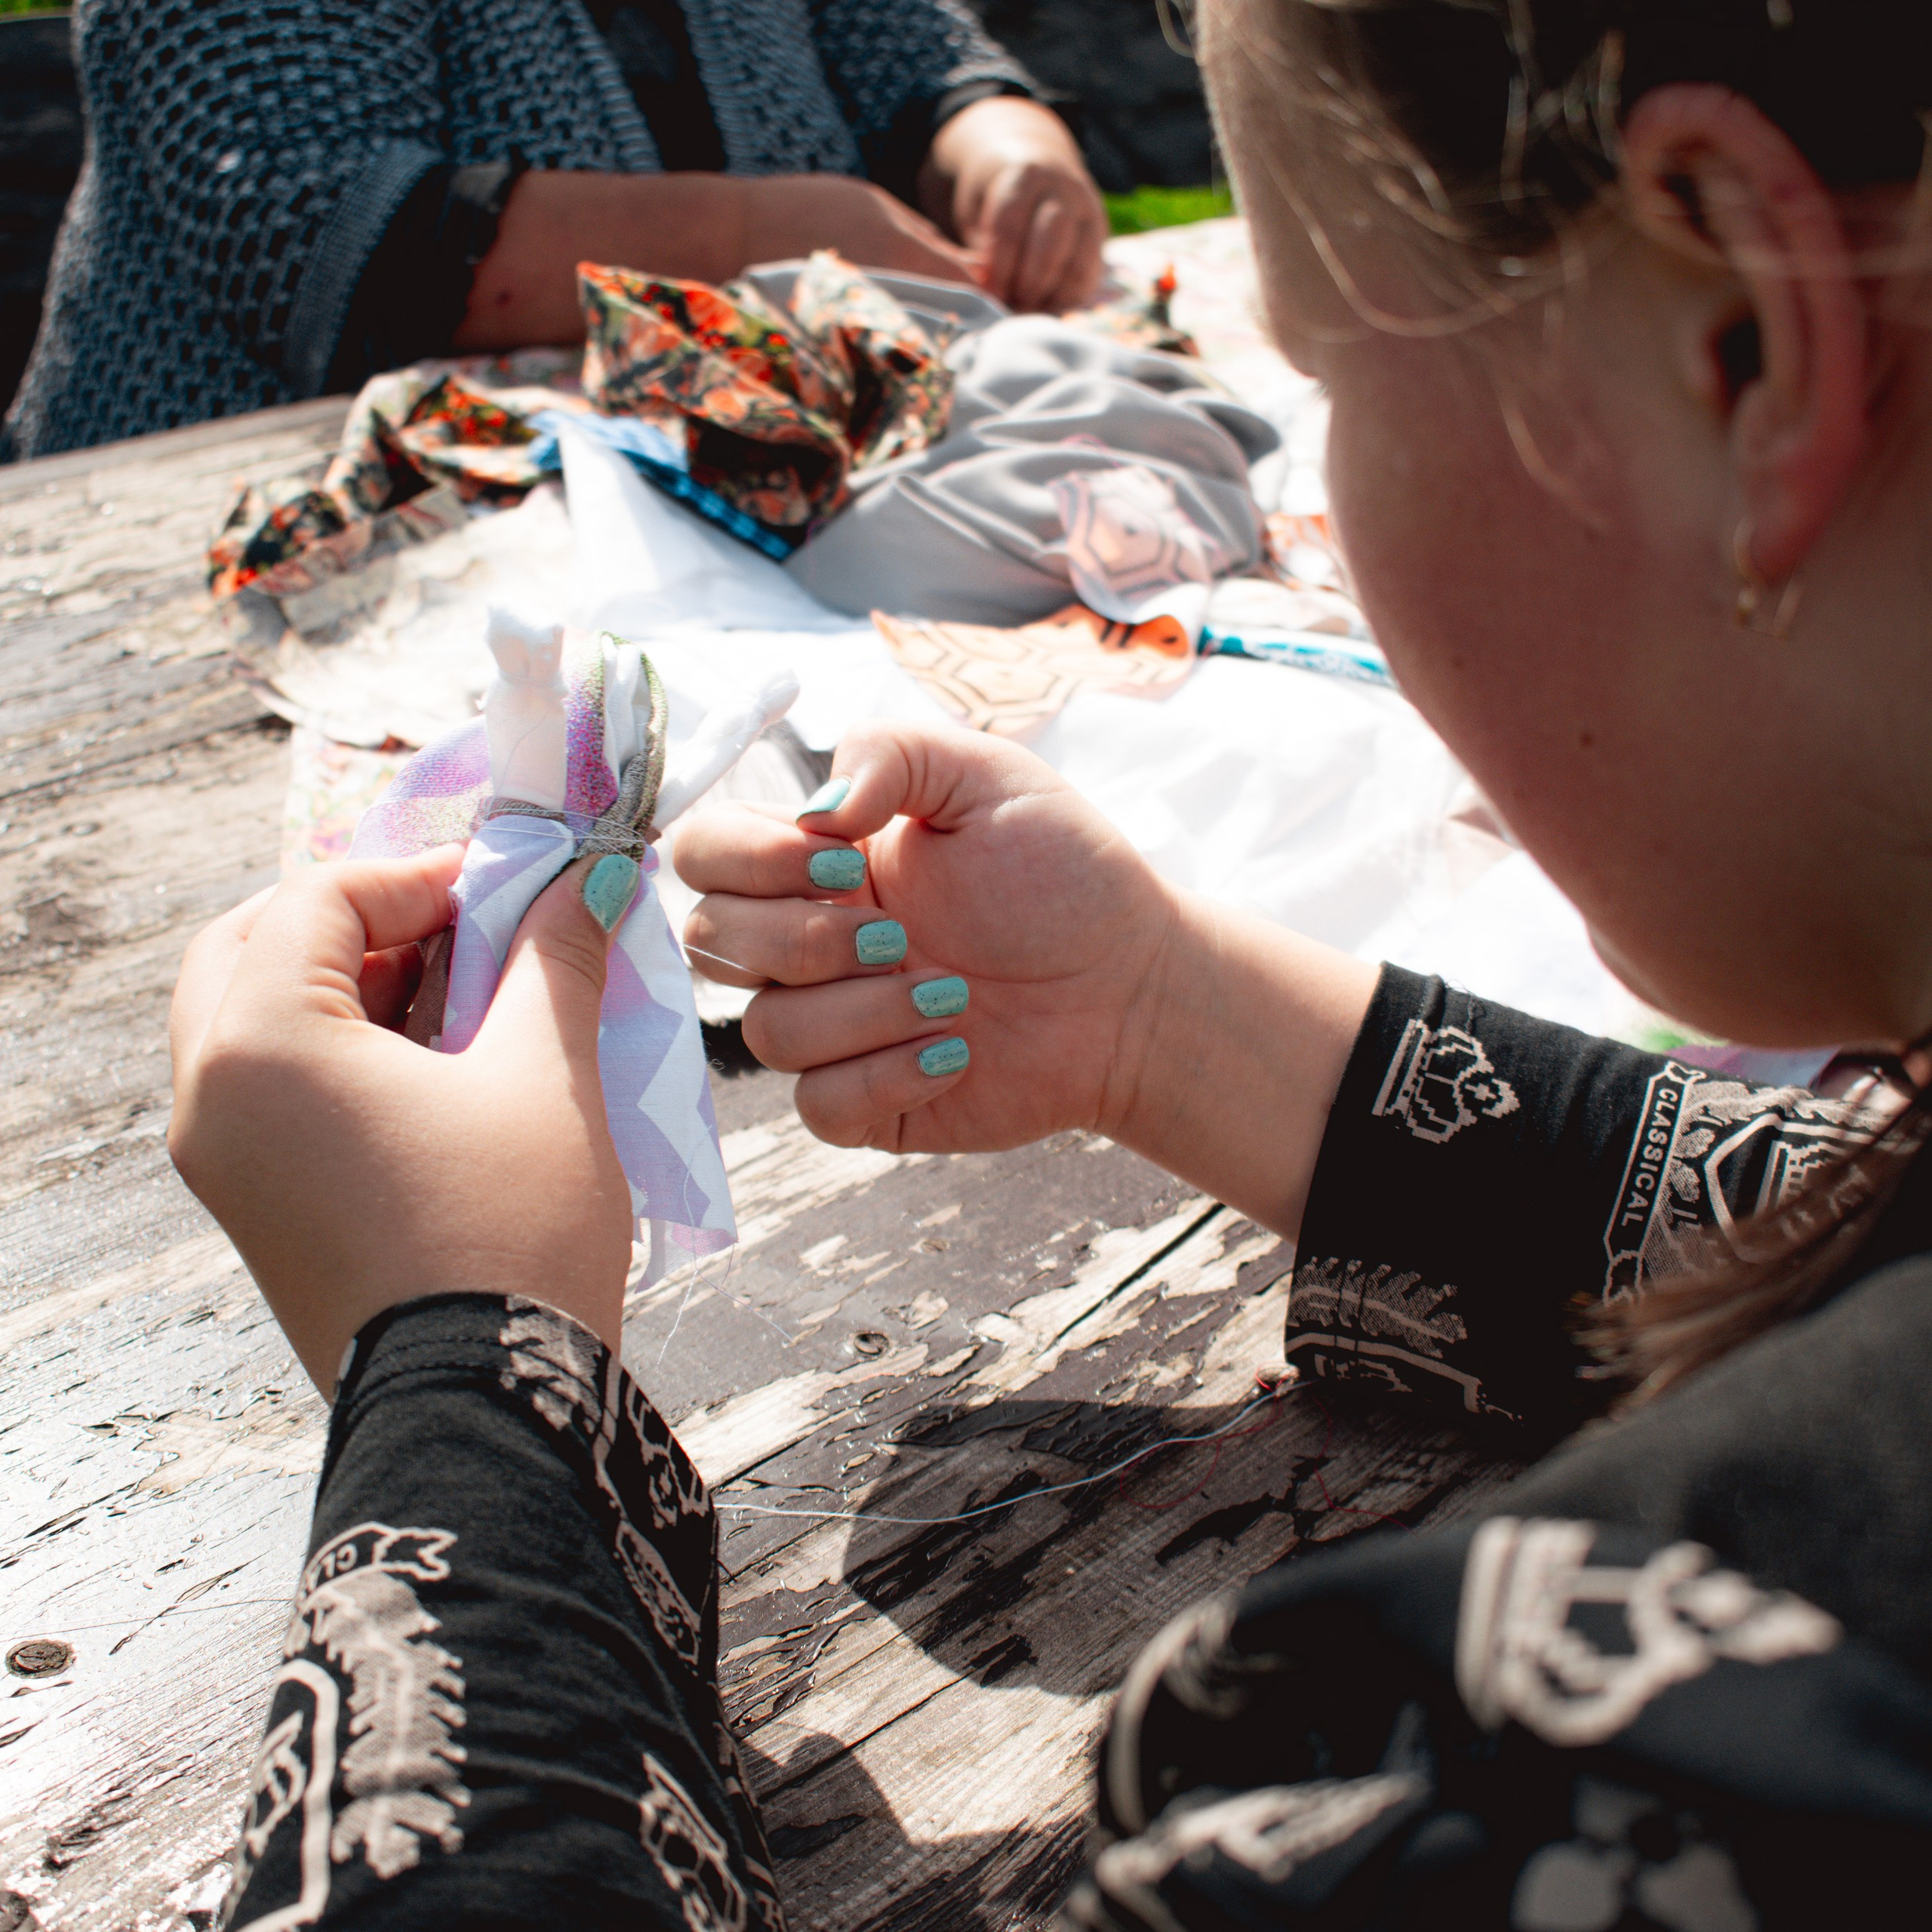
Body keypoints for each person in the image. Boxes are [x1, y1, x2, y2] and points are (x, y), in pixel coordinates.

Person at [168, 1, 1932, 1925]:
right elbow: (1838, 1222)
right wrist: (1178, 1022)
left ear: (1741, 345)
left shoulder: (1636, 1774)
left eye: (1331, 371)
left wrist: (458, 1380)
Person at [3, 0, 1105, 460]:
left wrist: (1005, 148)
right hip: (242, 525)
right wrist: (768, 239)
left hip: (697, 489)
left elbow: (909, 53)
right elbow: (305, 231)